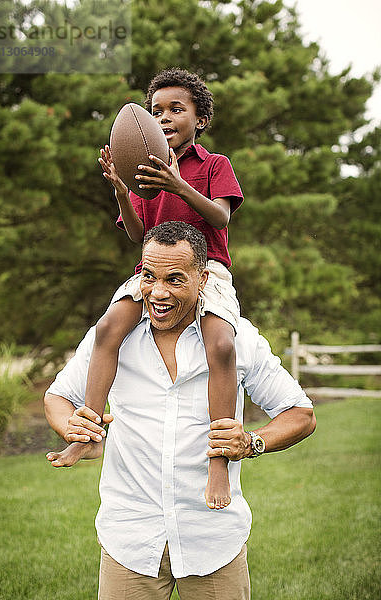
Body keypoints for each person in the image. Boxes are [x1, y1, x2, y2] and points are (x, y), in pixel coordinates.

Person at [45, 221, 316, 600]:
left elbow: (300, 413)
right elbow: (57, 398)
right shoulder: (113, 335)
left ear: (203, 278)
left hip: (213, 540)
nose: (158, 293)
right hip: (130, 541)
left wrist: (252, 442)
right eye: (149, 276)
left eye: (174, 280)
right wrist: (71, 427)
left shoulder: (238, 338)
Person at [53, 67, 244, 510]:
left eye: (177, 109)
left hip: (207, 268)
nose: (164, 118)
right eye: (156, 110)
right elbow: (138, 233)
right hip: (152, 269)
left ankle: (218, 458)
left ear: (200, 119)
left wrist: (177, 184)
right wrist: (122, 189)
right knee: (107, 330)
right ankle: (90, 433)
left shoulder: (215, 166)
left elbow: (221, 219)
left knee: (220, 345)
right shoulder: (142, 173)